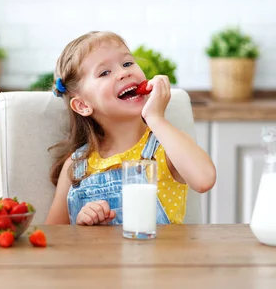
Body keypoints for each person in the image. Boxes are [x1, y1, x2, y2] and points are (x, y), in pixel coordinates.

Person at [44, 31, 216, 226]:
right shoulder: (77, 166)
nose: (124, 73)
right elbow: (54, 236)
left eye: (127, 63)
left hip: (164, 257)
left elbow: (204, 180)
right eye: (104, 72)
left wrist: (156, 117)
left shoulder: (167, 146)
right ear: (83, 105)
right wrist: (81, 226)